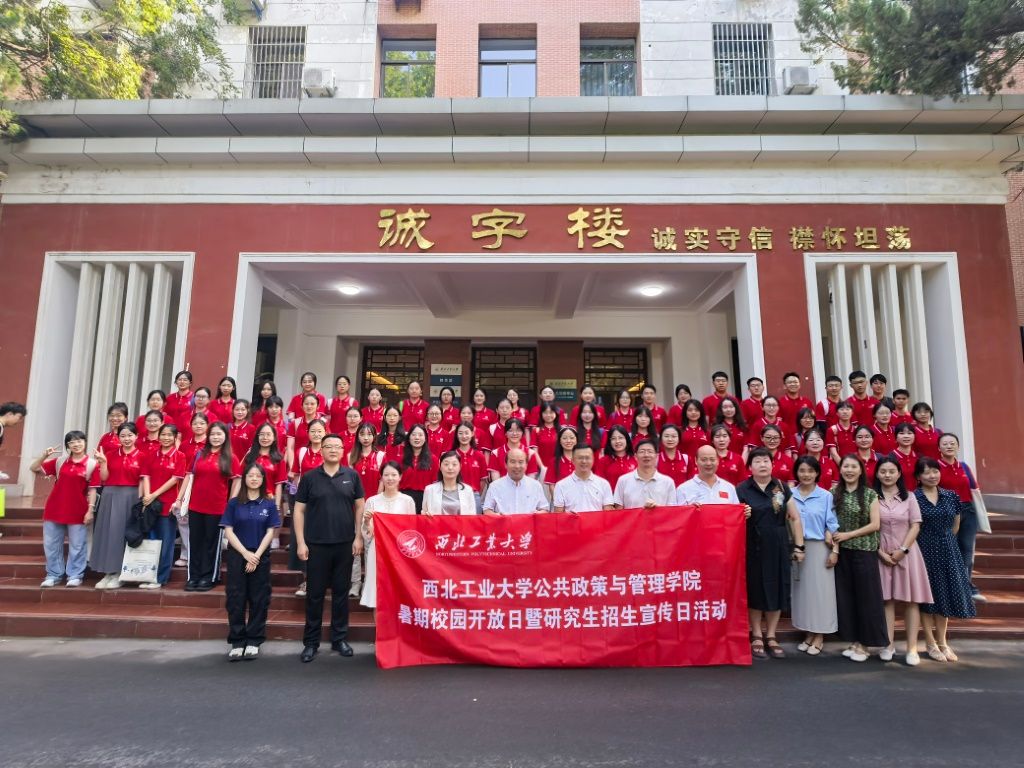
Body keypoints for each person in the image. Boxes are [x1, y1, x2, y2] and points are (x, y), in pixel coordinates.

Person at [294, 433, 365, 662]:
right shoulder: (310, 477)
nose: (333, 450)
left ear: (343, 451)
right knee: (314, 595)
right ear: (321, 450)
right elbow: (299, 510)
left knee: (341, 594)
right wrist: (301, 542)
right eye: (328, 446)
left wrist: (358, 537)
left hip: (344, 544)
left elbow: (360, 506)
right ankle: (311, 643)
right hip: (316, 545)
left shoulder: (352, 476)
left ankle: (339, 638)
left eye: (337, 447)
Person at [736, 448, 804, 659]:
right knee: (756, 589)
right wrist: (741, 514)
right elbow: (732, 519)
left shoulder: (781, 487)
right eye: (757, 461)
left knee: (777, 589)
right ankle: (757, 634)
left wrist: (799, 546)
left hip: (778, 545)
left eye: (766, 460)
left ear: (772, 464)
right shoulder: (742, 489)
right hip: (753, 546)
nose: (762, 464)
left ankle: (771, 635)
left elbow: (795, 518)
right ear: (750, 467)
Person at [915, 457, 977, 662]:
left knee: (945, 596)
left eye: (935, 471)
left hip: (948, 550)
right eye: (926, 472)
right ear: (918, 476)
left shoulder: (951, 496)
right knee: (927, 598)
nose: (932, 476)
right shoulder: (913, 498)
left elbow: (956, 525)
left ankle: (942, 642)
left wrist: (945, 540)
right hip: (924, 551)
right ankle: (930, 643)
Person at [874, 457, 932, 667]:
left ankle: (912, 648)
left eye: (892, 471)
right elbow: (871, 527)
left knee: (910, 601)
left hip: (907, 552)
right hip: (881, 553)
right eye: (883, 471)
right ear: (877, 474)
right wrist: (879, 552)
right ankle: (888, 645)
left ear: (899, 473)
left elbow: (915, 525)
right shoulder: (872, 497)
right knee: (887, 600)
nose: (887, 475)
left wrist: (903, 550)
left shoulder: (910, 497)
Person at [832, 454, 889, 662]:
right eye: (845, 466)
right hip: (843, 552)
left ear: (861, 470)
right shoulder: (834, 492)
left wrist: (848, 535)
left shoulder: (869, 494)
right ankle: (855, 641)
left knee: (867, 598)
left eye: (853, 467)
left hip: (864, 551)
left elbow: (875, 524)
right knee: (847, 598)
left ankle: (866, 644)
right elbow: (830, 521)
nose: (849, 470)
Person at [221, 464, 280, 661]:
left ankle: (254, 639)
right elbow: (228, 531)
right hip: (238, 555)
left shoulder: (269, 504)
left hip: (260, 555)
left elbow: (270, 532)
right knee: (235, 598)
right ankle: (237, 641)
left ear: (263, 480)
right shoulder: (234, 503)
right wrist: (246, 553)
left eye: (258, 476)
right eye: (250, 475)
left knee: (259, 598)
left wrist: (256, 555)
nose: (254, 479)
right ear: (244, 479)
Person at [173, 422, 241, 592]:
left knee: (212, 544)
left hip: (217, 508)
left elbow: (237, 481)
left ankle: (208, 576)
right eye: (213, 434)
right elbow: (188, 476)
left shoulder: (230, 458)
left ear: (225, 436)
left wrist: (231, 503)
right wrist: (179, 499)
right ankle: (194, 576)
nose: (215, 437)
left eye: (219, 434)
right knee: (195, 542)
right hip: (195, 506)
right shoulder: (199, 454)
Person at [30, 431, 96, 588]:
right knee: (51, 544)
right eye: (72, 442)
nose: (76, 444)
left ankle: (75, 575)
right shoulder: (60, 461)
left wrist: (90, 510)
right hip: (55, 508)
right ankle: (54, 574)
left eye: (79, 441)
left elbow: (93, 489)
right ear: (68, 446)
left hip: (78, 510)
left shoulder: (92, 464)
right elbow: (34, 468)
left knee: (77, 545)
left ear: (85, 442)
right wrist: (44, 456)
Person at [789, 456, 839, 656]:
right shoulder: (790, 495)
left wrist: (834, 550)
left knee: (821, 594)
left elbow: (832, 524)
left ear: (817, 473)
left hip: (819, 548)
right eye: (802, 470)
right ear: (796, 472)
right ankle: (809, 632)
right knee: (803, 594)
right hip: (797, 548)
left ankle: (820, 635)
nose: (806, 475)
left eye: (810, 471)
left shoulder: (826, 496)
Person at [89, 423, 144, 590]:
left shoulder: (142, 456)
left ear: (136, 436)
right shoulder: (111, 454)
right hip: (110, 495)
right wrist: (103, 462)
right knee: (108, 533)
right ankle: (108, 571)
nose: (126, 439)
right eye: (123, 436)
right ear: (118, 437)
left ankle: (120, 573)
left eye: (130, 435)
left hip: (131, 496)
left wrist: (141, 502)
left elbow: (143, 480)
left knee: (122, 534)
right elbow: (104, 477)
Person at [360, 462, 416, 615]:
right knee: (377, 594)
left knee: (398, 593)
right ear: (381, 478)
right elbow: (367, 533)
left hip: (399, 553)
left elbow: (411, 531)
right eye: (386, 475)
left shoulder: (407, 501)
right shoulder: (372, 501)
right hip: (377, 551)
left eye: (393, 475)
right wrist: (366, 521)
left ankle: (397, 630)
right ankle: (379, 631)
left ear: (400, 477)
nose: (390, 478)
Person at [937, 433, 984, 602]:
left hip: (968, 511)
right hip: (947, 512)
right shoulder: (936, 467)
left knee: (967, 550)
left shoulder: (964, 466)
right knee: (951, 550)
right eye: (945, 444)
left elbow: (975, 490)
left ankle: (966, 586)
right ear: (939, 448)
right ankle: (952, 587)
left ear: (958, 446)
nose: (949, 446)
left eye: (952, 443)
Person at [140, 424, 187, 589]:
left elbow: (175, 479)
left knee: (166, 542)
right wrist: (147, 497)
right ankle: (147, 575)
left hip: (167, 505)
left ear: (175, 438)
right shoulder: (151, 454)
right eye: (163, 434)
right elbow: (146, 476)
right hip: (150, 505)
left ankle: (160, 578)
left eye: (169, 435)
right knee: (151, 540)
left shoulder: (180, 456)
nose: (166, 438)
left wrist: (154, 495)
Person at [243, 422, 288, 551]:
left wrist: (277, 505)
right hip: (250, 498)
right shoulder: (250, 456)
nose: (265, 438)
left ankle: (274, 538)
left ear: (274, 438)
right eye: (262, 434)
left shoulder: (278, 459)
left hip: (269, 498)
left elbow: (279, 484)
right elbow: (242, 478)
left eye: (268, 435)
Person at [482, 449, 549, 515]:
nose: (517, 466)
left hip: (528, 522)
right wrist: (498, 516)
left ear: (526, 465)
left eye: (521, 462)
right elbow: (487, 510)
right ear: (505, 464)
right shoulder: (495, 486)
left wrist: (536, 514)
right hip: (504, 522)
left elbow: (545, 509)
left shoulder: (536, 486)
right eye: (513, 462)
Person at [613, 439, 675, 509]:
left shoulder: (668, 482)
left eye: (650, 451)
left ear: (657, 456)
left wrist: (656, 509)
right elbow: (619, 511)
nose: (646, 455)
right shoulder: (623, 481)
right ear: (635, 456)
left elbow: (672, 511)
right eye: (642, 452)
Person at [553, 445, 615, 513]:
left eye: (587, 458)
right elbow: (558, 514)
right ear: (572, 460)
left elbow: (607, 513)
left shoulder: (604, 484)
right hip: (572, 520)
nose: (584, 461)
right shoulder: (561, 485)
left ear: (593, 460)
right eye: (580, 458)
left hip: (597, 520)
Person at [423, 451, 478, 516]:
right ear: (440, 466)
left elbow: (472, 517)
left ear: (460, 467)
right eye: (446, 464)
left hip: (461, 523)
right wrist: (426, 514)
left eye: (454, 464)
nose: (450, 468)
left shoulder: (467, 490)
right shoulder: (429, 490)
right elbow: (424, 513)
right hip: (437, 523)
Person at [399, 424, 438, 513]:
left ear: (425, 438)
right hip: (404, 498)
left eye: (420, 435)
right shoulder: (401, 458)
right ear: (409, 438)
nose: (417, 438)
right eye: (413, 434)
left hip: (425, 498)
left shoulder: (433, 459)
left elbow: (435, 483)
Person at [453, 421, 489, 512]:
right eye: (460, 433)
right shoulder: (452, 455)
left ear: (472, 434)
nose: (464, 436)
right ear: (456, 435)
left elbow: (483, 481)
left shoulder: (479, 456)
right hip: (454, 495)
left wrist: (476, 493)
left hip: (474, 496)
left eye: (466, 433)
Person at [349, 423, 386, 499]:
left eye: (369, 434)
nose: (366, 438)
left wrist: (377, 500)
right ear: (358, 437)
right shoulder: (351, 456)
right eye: (362, 434)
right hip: (356, 500)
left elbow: (382, 480)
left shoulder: (380, 456)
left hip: (375, 500)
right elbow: (350, 481)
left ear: (374, 437)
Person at [597, 425, 637, 491]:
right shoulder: (603, 461)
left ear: (626, 439)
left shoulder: (636, 460)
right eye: (613, 438)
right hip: (610, 497)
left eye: (620, 438)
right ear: (609, 441)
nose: (617, 441)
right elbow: (599, 485)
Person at [544, 425, 578, 490]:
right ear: (559, 441)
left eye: (572, 438)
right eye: (564, 438)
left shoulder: (582, 460)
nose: (568, 441)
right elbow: (552, 486)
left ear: (576, 440)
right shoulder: (554, 462)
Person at [890, 423, 919, 491]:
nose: (906, 436)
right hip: (898, 495)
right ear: (896, 437)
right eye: (901, 433)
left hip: (918, 495)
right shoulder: (890, 458)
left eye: (909, 433)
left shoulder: (919, 457)